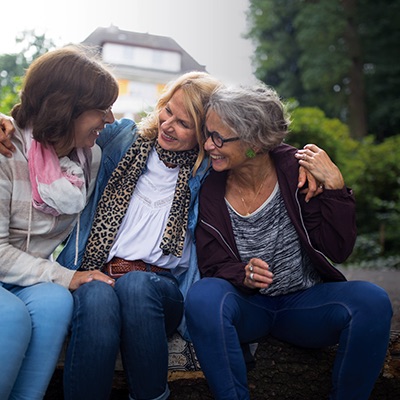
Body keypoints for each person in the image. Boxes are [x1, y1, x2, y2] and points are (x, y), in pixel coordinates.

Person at [0, 72, 321, 400]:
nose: (168, 125)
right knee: (95, 296)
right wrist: (5, 119)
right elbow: (64, 122)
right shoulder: (122, 138)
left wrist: (303, 161)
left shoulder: (209, 169)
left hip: (161, 288)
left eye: (184, 123)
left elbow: (257, 144)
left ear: (206, 133)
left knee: (136, 286)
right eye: (168, 110)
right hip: (97, 274)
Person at [184, 84, 393, 400]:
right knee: (203, 296)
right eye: (206, 133)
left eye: (218, 137)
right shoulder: (209, 188)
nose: (208, 144)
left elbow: (338, 249)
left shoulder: (299, 172)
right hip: (248, 306)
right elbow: (212, 264)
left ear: (254, 142)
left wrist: (336, 188)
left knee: (373, 300)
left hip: (304, 304)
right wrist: (243, 274)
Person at [0, 45, 118, 400]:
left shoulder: (89, 158)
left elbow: (141, 134)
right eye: (101, 110)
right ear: (65, 109)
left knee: (56, 303)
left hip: (25, 276)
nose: (109, 120)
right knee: (14, 319)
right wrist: (67, 276)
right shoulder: (5, 149)